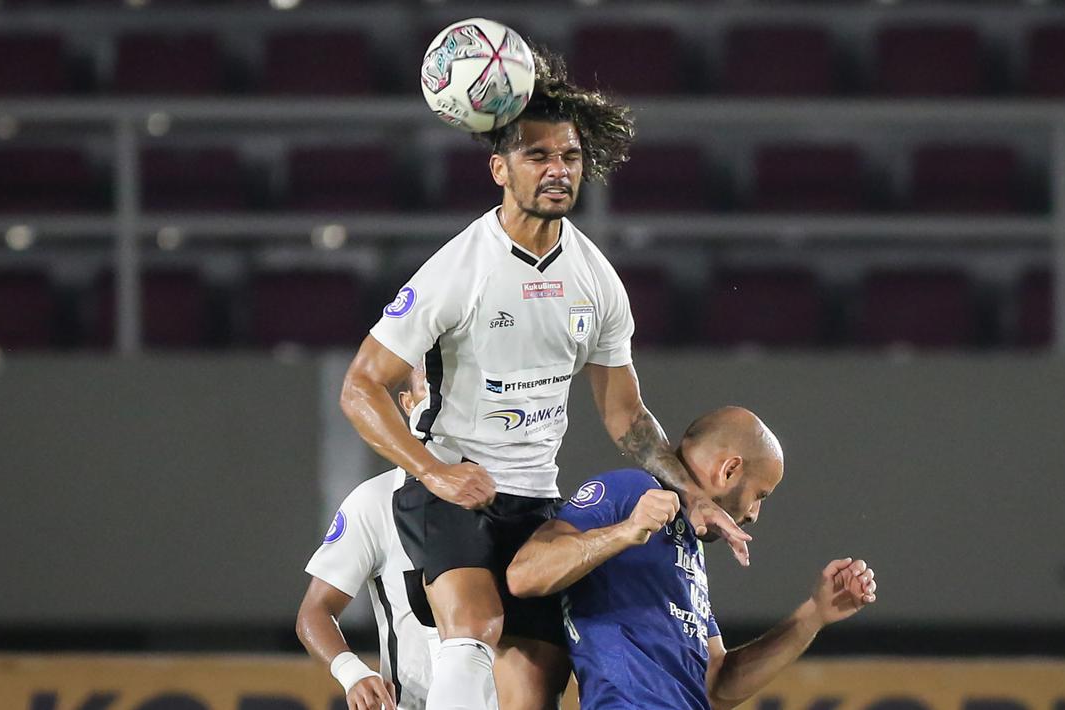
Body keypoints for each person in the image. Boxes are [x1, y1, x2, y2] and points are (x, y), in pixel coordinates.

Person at [338, 50, 750, 710]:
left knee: (533, 688)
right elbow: (360, 387)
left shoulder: (596, 282)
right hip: (454, 484)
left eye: (570, 157)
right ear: (499, 169)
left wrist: (690, 493)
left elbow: (626, 417)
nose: (558, 170)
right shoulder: (457, 270)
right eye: (538, 156)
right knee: (474, 628)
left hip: (534, 503)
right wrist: (431, 472)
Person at [507, 406, 879, 710]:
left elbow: (716, 686)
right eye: (760, 494)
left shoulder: (688, 545)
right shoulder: (633, 490)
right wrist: (624, 531)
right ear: (729, 469)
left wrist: (813, 614)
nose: (753, 513)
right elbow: (524, 575)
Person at [298, 368, 451, 710]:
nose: (445, 400)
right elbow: (316, 610)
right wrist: (352, 673)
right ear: (408, 403)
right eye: (432, 388)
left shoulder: (509, 495)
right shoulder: (374, 503)